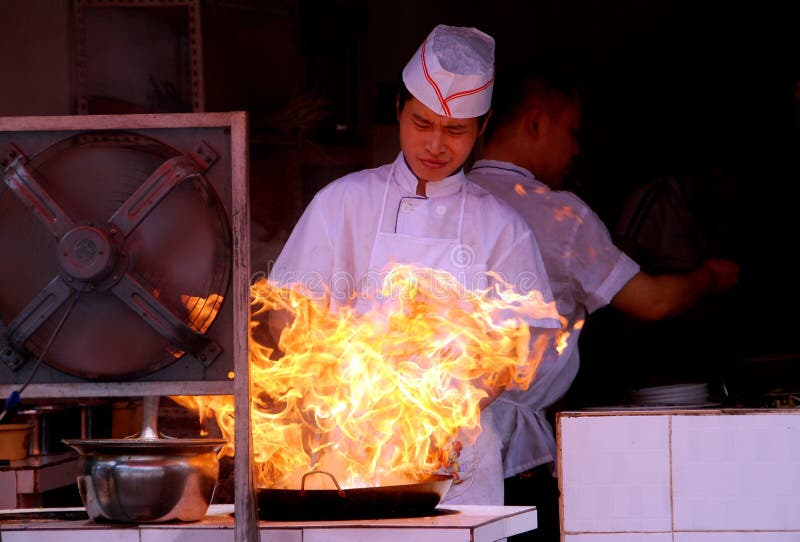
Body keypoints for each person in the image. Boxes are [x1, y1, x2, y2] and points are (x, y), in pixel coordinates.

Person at [268, 26, 561, 507]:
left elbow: (520, 347)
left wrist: (439, 409)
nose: (436, 145)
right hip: (348, 450)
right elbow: (289, 316)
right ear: (398, 111)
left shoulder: (502, 229)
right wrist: (338, 386)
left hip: (456, 454)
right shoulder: (342, 203)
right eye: (422, 124)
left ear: (482, 128)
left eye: (455, 130)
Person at [467, 59, 740, 541]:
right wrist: (710, 277)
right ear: (536, 121)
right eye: (573, 131)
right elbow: (651, 302)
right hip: (514, 461)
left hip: (429, 448)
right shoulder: (557, 213)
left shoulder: (446, 201)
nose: (578, 148)